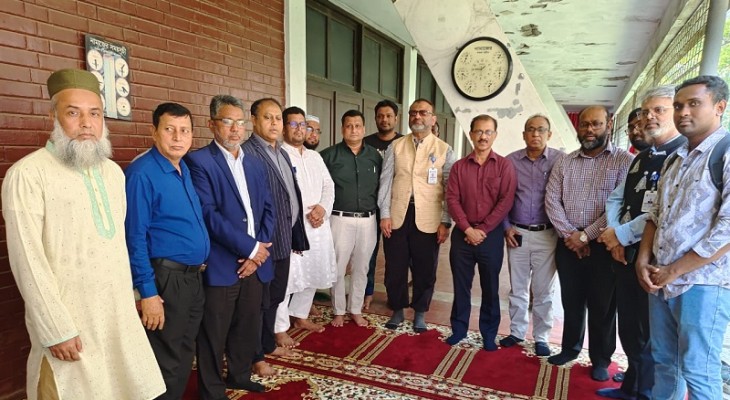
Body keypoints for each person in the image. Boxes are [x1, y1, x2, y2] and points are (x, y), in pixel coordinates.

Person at [2, 69, 165, 400]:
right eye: (73, 113)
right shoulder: (28, 174)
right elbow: (27, 260)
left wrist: (135, 295)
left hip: (116, 314)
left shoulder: (113, 173)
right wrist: (55, 329)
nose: (87, 123)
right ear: (54, 116)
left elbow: (116, 245)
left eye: (95, 114)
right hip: (70, 324)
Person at [636, 75, 730, 400]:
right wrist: (643, 260)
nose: (683, 112)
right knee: (665, 364)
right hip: (660, 280)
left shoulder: (725, 152)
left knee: (699, 371)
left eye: (693, 104)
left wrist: (674, 270)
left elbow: (727, 229)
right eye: (678, 106)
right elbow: (655, 214)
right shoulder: (675, 159)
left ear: (719, 107)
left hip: (703, 284)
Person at [596, 85, 686, 400]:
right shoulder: (642, 157)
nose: (649, 117)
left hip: (657, 261)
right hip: (626, 255)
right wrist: (615, 233)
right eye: (647, 111)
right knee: (631, 328)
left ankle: (646, 393)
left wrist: (621, 235)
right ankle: (631, 386)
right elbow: (617, 198)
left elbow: (661, 210)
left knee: (652, 336)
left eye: (659, 110)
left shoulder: (683, 155)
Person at [184, 95, 276, 398]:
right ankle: (211, 390)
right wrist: (251, 249)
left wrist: (258, 253)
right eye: (227, 122)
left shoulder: (255, 163)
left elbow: (269, 208)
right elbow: (208, 214)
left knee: (246, 325)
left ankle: (239, 375)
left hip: (255, 263)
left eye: (240, 122)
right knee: (214, 331)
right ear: (212, 124)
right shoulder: (199, 162)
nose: (235, 129)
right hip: (223, 264)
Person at [125, 102, 210, 399]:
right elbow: (134, 237)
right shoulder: (142, 174)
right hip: (165, 280)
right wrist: (147, 293)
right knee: (165, 358)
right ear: (154, 132)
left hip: (192, 278)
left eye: (184, 130)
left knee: (184, 351)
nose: (177, 137)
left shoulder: (183, 168)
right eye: (169, 129)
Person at [545, 105, 633, 381]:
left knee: (602, 305)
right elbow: (552, 199)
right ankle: (569, 348)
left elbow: (620, 206)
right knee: (571, 300)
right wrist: (571, 235)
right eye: (584, 124)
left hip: (605, 245)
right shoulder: (565, 162)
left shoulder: (624, 161)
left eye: (596, 124)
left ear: (609, 125)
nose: (590, 130)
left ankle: (601, 358)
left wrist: (586, 235)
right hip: (568, 243)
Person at [241, 98, 309, 376]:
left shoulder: (281, 152)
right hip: (263, 244)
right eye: (267, 117)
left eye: (278, 118)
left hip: (283, 239)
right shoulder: (248, 153)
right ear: (253, 121)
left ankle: (267, 344)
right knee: (258, 303)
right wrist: (254, 246)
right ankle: (255, 356)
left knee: (276, 297)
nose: (274, 123)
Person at [379, 98, 456, 333]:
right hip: (398, 214)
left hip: (429, 217)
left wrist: (446, 221)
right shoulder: (396, 146)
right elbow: (386, 181)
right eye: (413, 112)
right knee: (395, 266)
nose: (417, 116)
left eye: (423, 113)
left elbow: (450, 189)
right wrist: (384, 214)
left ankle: (420, 312)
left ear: (433, 119)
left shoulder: (444, 149)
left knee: (425, 268)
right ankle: (398, 309)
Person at [445, 115, 516, 350]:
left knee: (491, 287)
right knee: (461, 286)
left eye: (488, 132)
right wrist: (467, 228)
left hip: (490, 236)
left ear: (495, 135)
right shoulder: (459, 167)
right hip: (462, 235)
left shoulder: (504, 166)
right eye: (478, 131)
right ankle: (459, 329)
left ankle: (488, 334)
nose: (483, 136)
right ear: (471, 134)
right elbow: (452, 199)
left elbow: (506, 201)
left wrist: (482, 230)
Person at [500, 114, 565, 357]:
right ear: (524, 134)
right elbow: (502, 198)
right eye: (530, 129)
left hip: (547, 235)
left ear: (549, 134)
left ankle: (541, 337)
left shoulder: (560, 160)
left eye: (541, 129)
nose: (535, 134)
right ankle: (517, 332)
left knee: (543, 290)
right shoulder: (511, 162)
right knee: (517, 288)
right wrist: (506, 227)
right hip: (516, 233)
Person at [275, 106, 337, 338]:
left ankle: (300, 315)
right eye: (294, 124)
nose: (300, 129)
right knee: (287, 278)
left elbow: (329, 186)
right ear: (284, 128)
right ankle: (279, 327)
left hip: (318, 226)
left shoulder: (315, 157)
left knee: (314, 272)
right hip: (293, 227)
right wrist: (302, 215)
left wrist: (323, 208)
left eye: (303, 125)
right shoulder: (279, 155)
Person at [321, 109, 382, 327]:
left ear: (364, 129)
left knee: (362, 266)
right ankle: (338, 310)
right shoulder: (328, 156)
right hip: (339, 219)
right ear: (342, 129)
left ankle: (355, 309)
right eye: (349, 126)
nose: (353, 130)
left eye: (357, 126)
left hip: (368, 219)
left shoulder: (374, 156)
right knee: (338, 266)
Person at [363, 99, 403, 310]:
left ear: (396, 118)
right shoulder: (365, 143)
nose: (384, 119)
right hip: (369, 207)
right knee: (368, 253)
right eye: (380, 116)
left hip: (393, 208)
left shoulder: (404, 143)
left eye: (388, 116)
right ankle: (367, 292)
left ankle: (392, 294)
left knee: (394, 255)